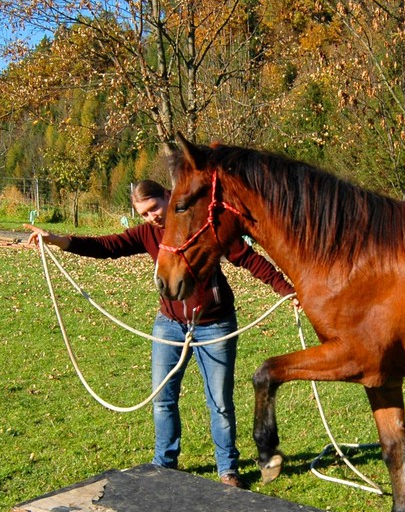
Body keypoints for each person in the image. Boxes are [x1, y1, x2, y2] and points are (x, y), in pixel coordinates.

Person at [26, 180, 296, 488]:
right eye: (143, 213)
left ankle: (227, 469)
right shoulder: (149, 234)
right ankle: (164, 464)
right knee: (163, 401)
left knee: (220, 402)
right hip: (169, 325)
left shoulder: (202, 225)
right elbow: (108, 247)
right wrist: (58, 240)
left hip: (214, 325)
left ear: (169, 197)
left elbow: (249, 259)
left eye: (154, 208)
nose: (151, 217)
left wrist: (287, 291)